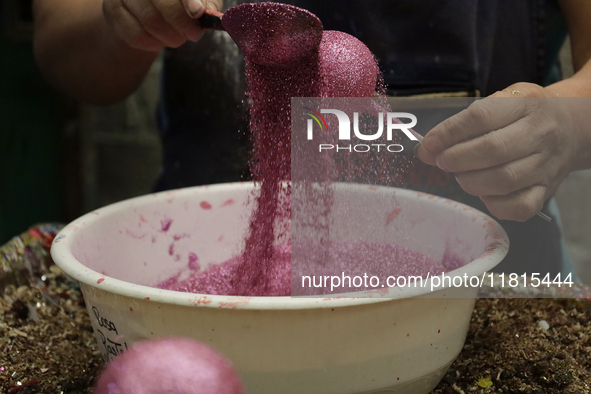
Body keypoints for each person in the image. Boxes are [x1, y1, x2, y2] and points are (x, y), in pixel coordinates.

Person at [32, 0, 591, 276]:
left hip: (487, 275)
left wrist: (569, 120)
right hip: (213, 256)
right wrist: (122, 19)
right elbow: (67, 52)